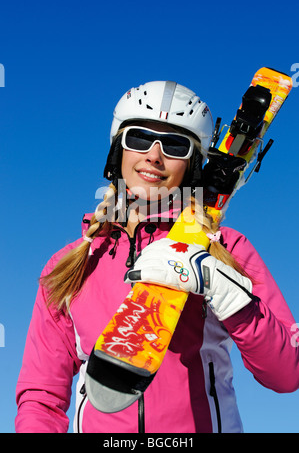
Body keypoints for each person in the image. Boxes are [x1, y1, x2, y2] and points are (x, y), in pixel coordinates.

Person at [15, 81, 299, 433]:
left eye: (175, 145)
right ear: (117, 150)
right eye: (138, 138)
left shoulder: (227, 247)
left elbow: (287, 374)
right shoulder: (69, 265)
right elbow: (41, 397)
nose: (153, 155)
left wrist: (226, 291)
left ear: (193, 164)